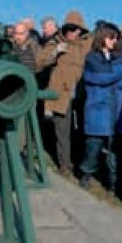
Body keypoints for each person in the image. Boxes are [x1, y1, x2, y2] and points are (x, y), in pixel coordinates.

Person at [33, 11, 91, 176]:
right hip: (62, 94)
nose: (75, 32)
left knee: (81, 132)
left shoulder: (86, 44)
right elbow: (38, 63)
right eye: (72, 28)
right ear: (65, 28)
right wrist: (54, 52)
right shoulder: (55, 43)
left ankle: (80, 163)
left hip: (82, 94)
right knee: (62, 133)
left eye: (79, 29)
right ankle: (65, 165)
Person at [78, 23, 122, 195]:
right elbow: (101, 78)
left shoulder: (120, 57)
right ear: (102, 37)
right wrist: (118, 72)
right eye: (111, 37)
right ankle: (86, 174)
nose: (115, 40)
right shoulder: (92, 58)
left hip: (116, 110)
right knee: (93, 147)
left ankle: (113, 183)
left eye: (116, 37)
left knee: (113, 151)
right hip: (98, 109)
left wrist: (116, 75)